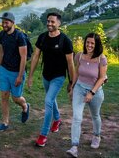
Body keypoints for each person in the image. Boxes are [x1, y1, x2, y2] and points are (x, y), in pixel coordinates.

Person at [28, 11, 75, 147]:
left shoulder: (65, 41)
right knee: (51, 99)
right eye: (48, 21)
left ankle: (43, 134)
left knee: (48, 101)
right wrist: (30, 75)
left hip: (58, 77)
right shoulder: (42, 38)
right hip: (45, 75)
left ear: (59, 23)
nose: (49, 23)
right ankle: (58, 119)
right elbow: (36, 56)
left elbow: (70, 63)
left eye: (52, 21)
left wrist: (72, 82)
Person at [66, 33, 108, 157]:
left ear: (97, 45)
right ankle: (74, 146)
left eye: (92, 43)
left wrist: (92, 92)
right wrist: (72, 88)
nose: (89, 45)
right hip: (79, 88)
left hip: (95, 91)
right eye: (87, 42)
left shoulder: (102, 59)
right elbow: (76, 73)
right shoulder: (79, 56)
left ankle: (96, 136)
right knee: (77, 117)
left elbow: (101, 78)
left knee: (95, 115)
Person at [0, 11, 30, 132]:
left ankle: (25, 106)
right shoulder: (2, 34)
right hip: (4, 69)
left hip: (16, 72)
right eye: (3, 22)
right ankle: (5, 122)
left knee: (16, 98)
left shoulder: (20, 36)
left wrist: (20, 76)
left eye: (6, 22)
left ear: (13, 23)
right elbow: (1, 52)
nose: (4, 25)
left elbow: (23, 57)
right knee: (4, 96)